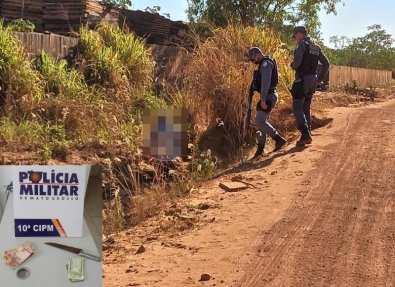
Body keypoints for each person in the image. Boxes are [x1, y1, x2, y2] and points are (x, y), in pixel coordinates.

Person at [290, 26, 330, 146]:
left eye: (295, 36)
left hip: (302, 80)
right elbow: (327, 64)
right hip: (313, 80)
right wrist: (319, 79)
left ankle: (305, 134)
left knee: (297, 107)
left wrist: (292, 65)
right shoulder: (316, 47)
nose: (295, 39)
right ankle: (307, 134)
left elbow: (297, 63)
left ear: (299, 34)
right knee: (306, 107)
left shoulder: (302, 45)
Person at [247, 47, 287, 160]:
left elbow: (265, 83)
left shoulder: (265, 64)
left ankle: (279, 139)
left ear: (257, 54)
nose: (252, 60)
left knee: (259, 121)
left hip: (269, 96)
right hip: (268, 95)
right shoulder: (265, 63)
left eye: (252, 58)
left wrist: (263, 100)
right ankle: (260, 149)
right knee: (262, 122)